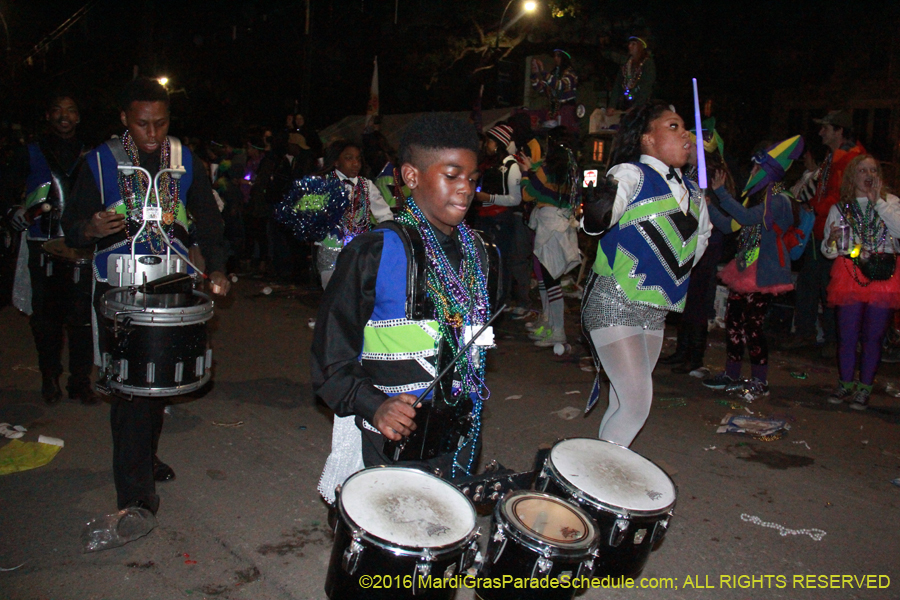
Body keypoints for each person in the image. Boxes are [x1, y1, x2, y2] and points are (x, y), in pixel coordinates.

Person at [62, 77, 230, 517]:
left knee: (159, 381)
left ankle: (145, 458)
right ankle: (134, 494)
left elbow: (208, 217)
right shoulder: (100, 161)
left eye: (161, 123)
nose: (153, 134)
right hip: (119, 286)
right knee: (130, 388)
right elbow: (71, 226)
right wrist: (89, 228)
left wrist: (216, 265)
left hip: (172, 282)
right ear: (124, 118)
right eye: (142, 124)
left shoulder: (184, 159)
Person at [313, 114, 494, 505]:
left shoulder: (478, 253)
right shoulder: (373, 252)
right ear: (411, 176)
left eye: (472, 178)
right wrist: (375, 405)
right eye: (452, 175)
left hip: (460, 434)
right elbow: (331, 355)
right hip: (393, 440)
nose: (466, 189)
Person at [580, 100, 710, 447]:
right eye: (673, 126)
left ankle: (599, 469)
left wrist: (671, 271)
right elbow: (598, 221)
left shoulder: (694, 192)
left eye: (685, 128)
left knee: (623, 402)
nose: (685, 134)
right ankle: (602, 475)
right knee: (637, 404)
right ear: (647, 138)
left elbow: (700, 241)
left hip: (656, 311)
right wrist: (597, 208)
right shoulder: (631, 174)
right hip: (614, 301)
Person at [4, 93, 97, 405]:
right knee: (46, 319)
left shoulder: (92, 155)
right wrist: (12, 210)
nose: (64, 116)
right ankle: (49, 377)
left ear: (78, 117)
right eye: (57, 110)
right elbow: (5, 189)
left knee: (83, 318)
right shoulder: (29, 152)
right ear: (48, 116)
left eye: (70, 110)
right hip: (41, 243)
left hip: (83, 245)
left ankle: (80, 381)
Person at [701, 136, 805, 399]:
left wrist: (721, 193)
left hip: (765, 271)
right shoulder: (759, 200)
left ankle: (759, 380)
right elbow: (729, 226)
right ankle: (732, 374)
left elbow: (746, 218)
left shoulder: (780, 200)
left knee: (752, 326)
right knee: (734, 322)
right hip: (745, 267)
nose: (752, 171)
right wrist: (710, 206)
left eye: (757, 167)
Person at [821, 155, 900, 410]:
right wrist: (831, 241)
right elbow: (829, 252)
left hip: (883, 275)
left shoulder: (891, 202)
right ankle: (845, 383)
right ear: (852, 176)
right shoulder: (840, 208)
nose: (868, 175)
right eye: (862, 170)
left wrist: (878, 203)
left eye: (873, 170)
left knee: (873, 337)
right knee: (847, 335)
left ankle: (865, 388)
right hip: (849, 273)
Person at [785, 110, 865, 358]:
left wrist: (815, 206)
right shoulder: (837, 156)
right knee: (810, 283)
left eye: (826, 128)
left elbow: (843, 197)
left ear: (839, 131)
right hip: (822, 229)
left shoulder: (852, 159)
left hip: (838, 232)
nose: (821, 133)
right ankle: (808, 332)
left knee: (831, 286)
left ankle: (833, 338)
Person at [660, 121, 733, 375]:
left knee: (697, 300)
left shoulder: (712, 176)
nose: (684, 146)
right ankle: (683, 351)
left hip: (707, 244)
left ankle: (695, 356)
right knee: (686, 298)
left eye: (689, 144)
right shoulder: (690, 172)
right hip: (689, 240)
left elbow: (722, 215)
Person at [519, 126, 581, 347]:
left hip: (549, 226)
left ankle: (557, 332)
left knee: (551, 281)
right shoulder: (572, 171)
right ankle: (551, 327)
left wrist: (525, 173)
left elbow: (527, 194)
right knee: (549, 279)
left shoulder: (547, 170)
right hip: (563, 224)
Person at [316, 140, 393, 288]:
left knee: (358, 295)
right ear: (336, 162)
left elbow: (384, 214)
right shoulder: (323, 184)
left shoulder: (366, 185)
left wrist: (388, 236)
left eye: (358, 159)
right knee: (333, 294)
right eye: (349, 158)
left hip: (359, 252)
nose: (356, 163)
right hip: (331, 252)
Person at [472, 123, 529, 311]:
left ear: (497, 143)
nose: (486, 145)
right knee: (484, 261)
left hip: (500, 220)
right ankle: (488, 300)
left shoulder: (511, 166)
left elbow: (515, 199)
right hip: (485, 218)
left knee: (501, 261)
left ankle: (501, 301)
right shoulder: (489, 164)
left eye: (489, 141)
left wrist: (489, 198)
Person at [531, 49, 578, 131]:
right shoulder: (553, 73)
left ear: (564, 58)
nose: (555, 58)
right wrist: (534, 74)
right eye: (554, 56)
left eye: (558, 56)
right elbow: (540, 89)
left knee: (564, 132)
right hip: (553, 111)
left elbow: (559, 85)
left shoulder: (571, 73)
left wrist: (543, 71)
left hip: (567, 110)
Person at [608, 36, 656, 112]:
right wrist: (612, 105)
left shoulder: (647, 64)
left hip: (641, 107)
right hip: (625, 104)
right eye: (629, 44)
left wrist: (636, 107)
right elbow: (617, 85)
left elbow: (646, 87)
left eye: (633, 44)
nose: (629, 46)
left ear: (640, 46)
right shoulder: (626, 64)